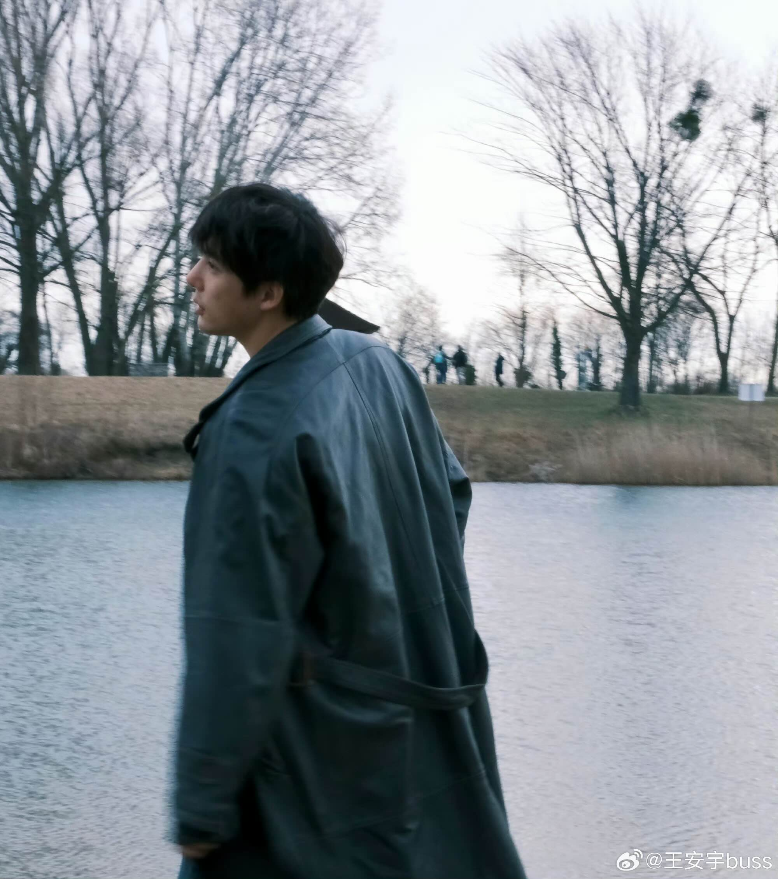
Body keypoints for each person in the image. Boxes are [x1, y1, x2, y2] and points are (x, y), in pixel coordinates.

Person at [176, 182, 528, 879]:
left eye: (212, 265)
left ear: (268, 292)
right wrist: (384, 616)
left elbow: (234, 634)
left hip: (306, 774)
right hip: (408, 727)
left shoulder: (252, 426)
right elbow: (452, 497)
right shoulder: (380, 365)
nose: (193, 277)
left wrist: (199, 805)